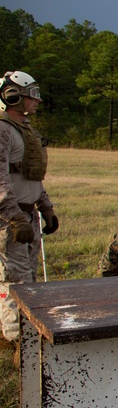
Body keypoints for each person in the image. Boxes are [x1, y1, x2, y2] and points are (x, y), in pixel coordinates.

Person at [0, 71, 58, 350]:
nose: (37, 100)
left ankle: (25, 334)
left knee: (29, 281)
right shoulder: (2, 130)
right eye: (30, 95)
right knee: (14, 282)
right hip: (10, 219)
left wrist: (45, 207)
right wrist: (13, 217)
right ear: (12, 97)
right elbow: (0, 179)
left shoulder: (25, 130)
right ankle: (15, 340)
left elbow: (32, 176)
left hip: (27, 214)